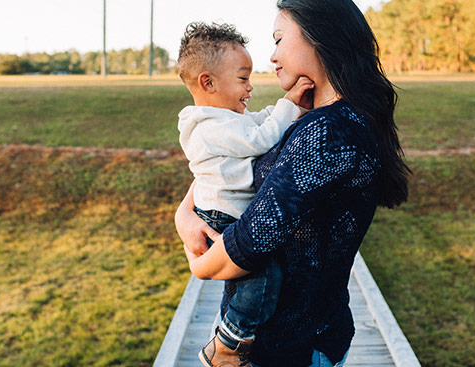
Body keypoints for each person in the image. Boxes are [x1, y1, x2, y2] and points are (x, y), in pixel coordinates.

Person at [175, 0, 411, 366]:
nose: (272, 56)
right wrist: (184, 215)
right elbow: (225, 168)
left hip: (290, 348)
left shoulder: (327, 134)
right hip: (287, 338)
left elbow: (247, 248)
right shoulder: (319, 119)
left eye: (278, 39)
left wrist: (198, 265)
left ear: (318, 38)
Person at [175, 22, 315, 367]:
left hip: (227, 214)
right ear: (208, 82)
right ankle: (228, 344)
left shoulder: (224, 119)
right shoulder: (208, 127)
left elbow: (258, 123)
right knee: (263, 280)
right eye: (242, 78)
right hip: (222, 218)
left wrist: (292, 109)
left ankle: (234, 336)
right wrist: (288, 103)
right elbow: (259, 139)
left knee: (252, 283)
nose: (250, 87)